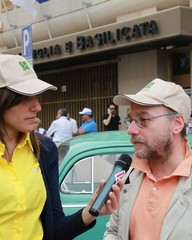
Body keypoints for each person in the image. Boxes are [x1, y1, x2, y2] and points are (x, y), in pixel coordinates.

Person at [0, 54, 123, 240]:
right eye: (25, 97)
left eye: (37, 96)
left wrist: (90, 211)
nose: (37, 106)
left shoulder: (44, 149)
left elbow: (55, 229)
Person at [103, 78, 192, 240]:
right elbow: (113, 232)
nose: (131, 130)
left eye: (143, 120)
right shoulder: (130, 177)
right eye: (131, 120)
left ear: (177, 123)